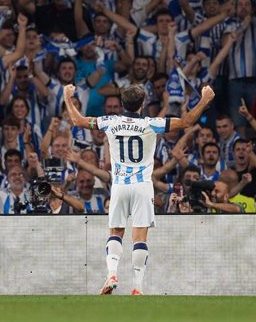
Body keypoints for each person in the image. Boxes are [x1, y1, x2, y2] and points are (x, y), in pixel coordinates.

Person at [63, 83, 215, 295]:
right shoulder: (151, 124)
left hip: (119, 186)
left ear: (122, 103)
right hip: (142, 186)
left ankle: (112, 274)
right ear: (142, 104)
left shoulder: (110, 122)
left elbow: (77, 120)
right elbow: (187, 121)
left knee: (116, 232)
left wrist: (67, 97)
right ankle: (137, 287)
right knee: (140, 237)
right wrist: (205, 99)